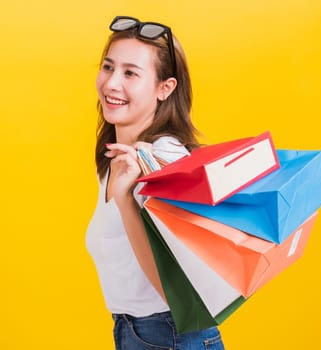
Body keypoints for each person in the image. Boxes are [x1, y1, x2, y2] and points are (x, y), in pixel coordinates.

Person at [85, 16, 225, 349]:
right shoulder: (115, 161)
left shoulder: (166, 159)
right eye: (108, 67)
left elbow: (173, 290)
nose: (112, 83)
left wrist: (126, 200)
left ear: (165, 88)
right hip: (136, 333)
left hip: (171, 335)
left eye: (130, 73)